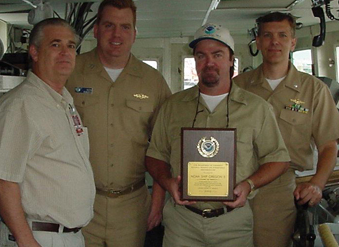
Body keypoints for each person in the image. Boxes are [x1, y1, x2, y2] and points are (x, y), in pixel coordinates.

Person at [145, 23, 290, 247]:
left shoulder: (256, 108)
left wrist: (249, 184)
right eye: (201, 56)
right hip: (182, 223)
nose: (209, 62)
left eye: (218, 54)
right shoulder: (173, 106)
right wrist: (168, 182)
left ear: (232, 59)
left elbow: (278, 158)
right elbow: (155, 155)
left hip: (233, 223)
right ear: (195, 61)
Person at [66, 0, 171, 247]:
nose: (117, 34)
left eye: (125, 27)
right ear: (96, 30)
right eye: (109, 25)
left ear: (134, 33)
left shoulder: (153, 81)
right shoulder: (70, 71)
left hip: (131, 206)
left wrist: (157, 201)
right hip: (77, 201)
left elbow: (164, 147)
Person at [234, 12, 339, 247]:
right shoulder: (238, 87)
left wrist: (317, 185)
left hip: (281, 188)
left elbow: (329, 144)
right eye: (267, 36)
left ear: (293, 42)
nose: (275, 42)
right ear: (258, 42)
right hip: (237, 179)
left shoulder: (314, 90)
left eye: (283, 35)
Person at [0, 18, 95, 247]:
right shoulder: (20, 106)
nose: (65, 53)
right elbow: (2, 180)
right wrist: (26, 241)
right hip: (36, 237)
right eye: (55, 45)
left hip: (67, 236)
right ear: (35, 52)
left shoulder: (64, 102)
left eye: (70, 46)